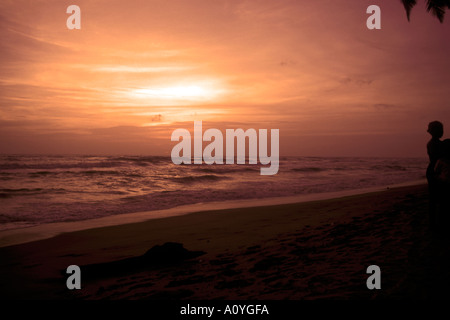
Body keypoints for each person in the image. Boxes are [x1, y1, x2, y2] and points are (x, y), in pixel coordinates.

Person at [426, 121, 443, 230]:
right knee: (436, 198)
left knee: (435, 198)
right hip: (435, 172)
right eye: (440, 129)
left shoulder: (435, 143)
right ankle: (434, 224)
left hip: (434, 171)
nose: (442, 131)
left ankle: (435, 223)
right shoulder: (435, 144)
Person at [434, 139, 450, 228]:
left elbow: (436, 172)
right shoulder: (441, 160)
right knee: (443, 204)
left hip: (444, 183)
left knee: (443, 204)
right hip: (443, 184)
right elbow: (436, 172)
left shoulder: (441, 160)